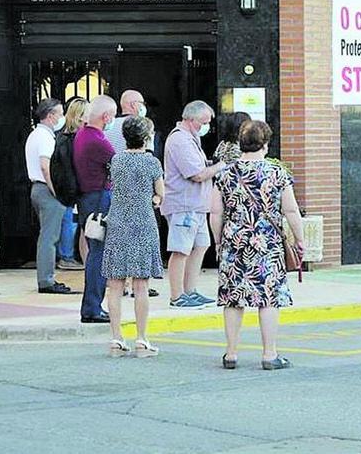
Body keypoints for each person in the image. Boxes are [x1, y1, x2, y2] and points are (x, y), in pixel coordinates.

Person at [210, 120, 304, 370]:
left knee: (233, 298)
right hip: (266, 245)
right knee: (269, 298)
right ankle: (269, 354)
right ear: (265, 144)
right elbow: (291, 210)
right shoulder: (276, 172)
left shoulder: (225, 173)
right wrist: (300, 239)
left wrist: (219, 241)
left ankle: (231, 353)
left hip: (234, 242)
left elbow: (215, 213)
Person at [101, 116, 164, 358]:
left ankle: (116, 337)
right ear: (146, 137)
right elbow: (160, 193)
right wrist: (155, 200)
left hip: (118, 223)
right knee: (141, 284)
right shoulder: (152, 163)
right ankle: (142, 338)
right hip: (143, 223)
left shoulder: (116, 160)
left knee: (115, 284)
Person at [162, 100, 225, 309]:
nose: (205, 126)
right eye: (203, 122)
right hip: (184, 205)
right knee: (181, 250)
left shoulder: (191, 138)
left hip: (197, 205)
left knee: (201, 245)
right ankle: (177, 295)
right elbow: (196, 174)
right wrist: (221, 166)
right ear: (190, 119)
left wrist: (210, 165)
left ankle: (190, 290)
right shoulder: (180, 140)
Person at [74, 95, 117, 323]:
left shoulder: (82, 134)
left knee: (96, 253)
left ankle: (92, 306)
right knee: (99, 255)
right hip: (98, 200)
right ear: (106, 116)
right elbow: (118, 164)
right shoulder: (97, 140)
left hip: (87, 199)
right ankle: (92, 308)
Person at [26, 98, 75, 294]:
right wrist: (57, 191)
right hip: (47, 190)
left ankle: (46, 278)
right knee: (49, 237)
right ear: (50, 116)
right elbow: (46, 166)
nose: (62, 118)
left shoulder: (35, 135)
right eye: (60, 114)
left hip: (38, 188)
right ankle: (46, 280)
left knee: (47, 235)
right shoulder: (45, 137)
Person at [55, 97, 87, 271]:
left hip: (69, 190)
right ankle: (68, 257)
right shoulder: (76, 139)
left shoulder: (62, 136)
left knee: (78, 227)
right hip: (77, 190)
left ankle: (70, 256)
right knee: (77, 227)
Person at [105, 89, 147, 153]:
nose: (144, 106)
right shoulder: (140, 125)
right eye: (142, 103)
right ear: (133, 105)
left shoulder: (109, 125)